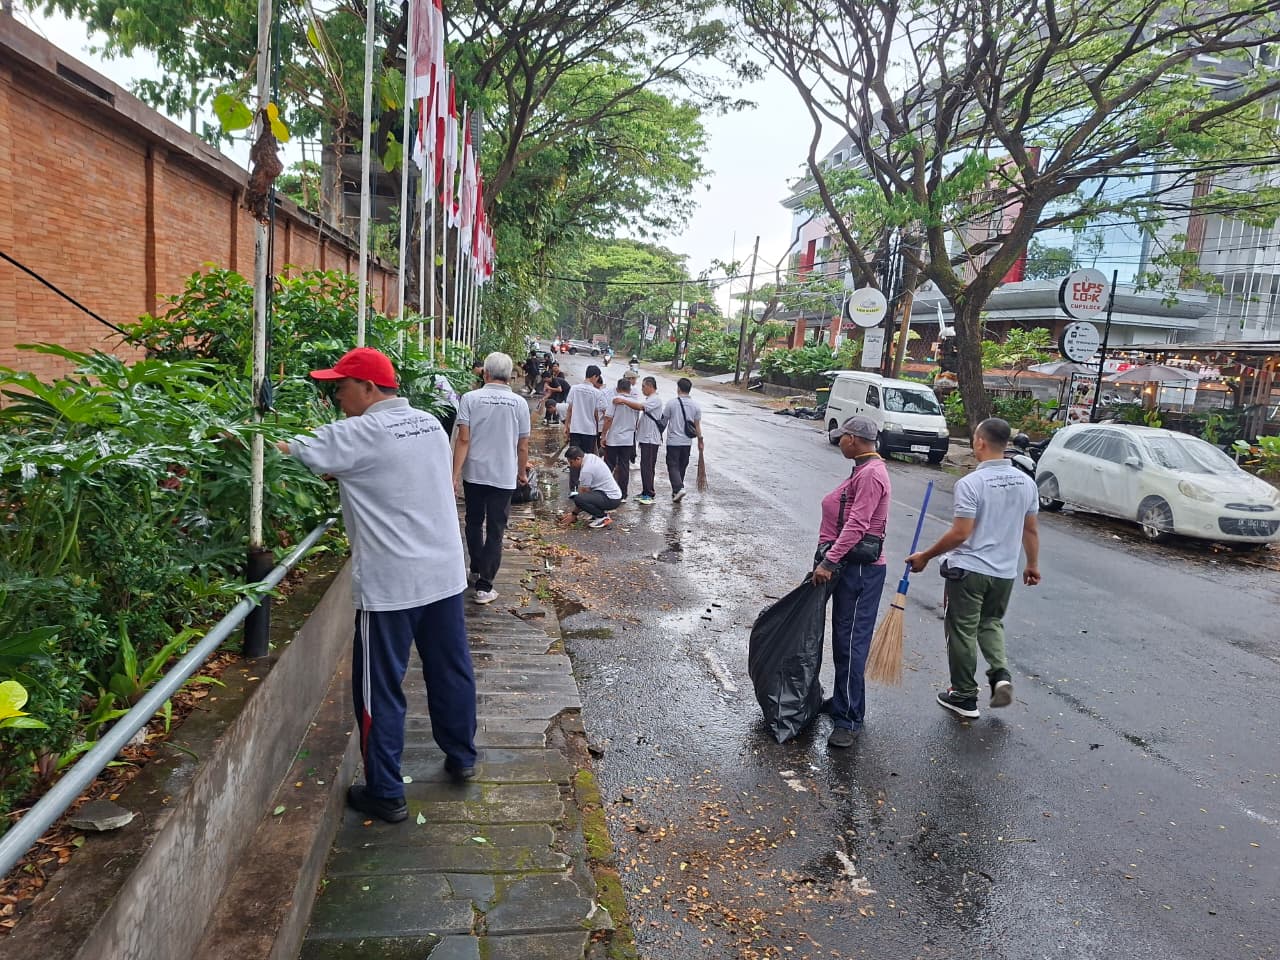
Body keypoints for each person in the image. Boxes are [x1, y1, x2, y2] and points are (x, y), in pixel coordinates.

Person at [276, 347, 476, 823]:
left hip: (392, 586)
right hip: (445, 572)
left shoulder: (359, 432)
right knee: (451, 669)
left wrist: (241, 429)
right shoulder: (428, 422)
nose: (335, 396)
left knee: (379, 689)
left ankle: (386, 791)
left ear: (367, 388)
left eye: (339, 387)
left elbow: (286, 447)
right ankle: (462, 754)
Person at [906, 417, 1041, 719]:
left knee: (962, 631)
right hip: (1004, 572)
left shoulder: (971, 484)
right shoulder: (1027, 483)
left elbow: (961, 533)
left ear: (980, 442)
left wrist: (926, 556)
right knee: (990, 623)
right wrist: (1031, 564)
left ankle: (964, 696)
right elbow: (1030, 530)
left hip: (968, 571)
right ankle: (1000, 675)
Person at [811, 416, 892, 748]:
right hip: (849, 568)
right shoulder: (862, 469)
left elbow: (858, 524)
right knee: (842, 639)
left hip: (860, 571)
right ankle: (844, 702)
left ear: (855, 440)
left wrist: (830, 560)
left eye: (843, 436)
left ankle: (850, 719)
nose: (839, 441)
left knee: (851, 643)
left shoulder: (872, 474)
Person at [452, 352, 531, 606]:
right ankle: (485, 587)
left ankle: (475, 569)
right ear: (510, 376)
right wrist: (521, 473)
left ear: (485, 373)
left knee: (473, 522)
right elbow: (522, 445)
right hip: (503, 475)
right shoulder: (519, 403)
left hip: (474, 473)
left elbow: (463, 439)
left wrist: (454, 476)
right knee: (496, 530)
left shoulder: (470, 399)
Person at [612, 376, 664, 504]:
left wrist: (624, 401)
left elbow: (640, 407)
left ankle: (649, 494)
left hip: (651, 439)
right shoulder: (650, 399)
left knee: (648, 467)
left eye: (643, 386)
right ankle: (645, 491)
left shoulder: (655, 399)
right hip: (646, 438)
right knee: (645, 466)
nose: (642, 389)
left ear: (650, 386)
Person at [564, 365, 606, 490]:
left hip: (576, 429)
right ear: (595, 376)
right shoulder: (597, 393)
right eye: (597, 378)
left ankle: (574, 489)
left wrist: (566, 426)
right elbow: (599, 412)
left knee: (573, 459)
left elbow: (570, 409)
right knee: (586, 461)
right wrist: (601, 430)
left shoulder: (574, 389)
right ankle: (585, 488)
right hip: (589, 431)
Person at [663, 377, 703, 502]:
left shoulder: (671, 403)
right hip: (687, 442)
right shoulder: (696, 406)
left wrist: (658, 434)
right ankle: (676, 492)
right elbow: (697, 425)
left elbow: (664, 421)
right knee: (682, 465)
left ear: (678, 388)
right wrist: (700, 440)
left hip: (673, 441)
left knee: (672, 465)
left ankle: (679, 488)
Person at [561, 446, 622, 528]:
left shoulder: (586, 470)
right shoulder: (590, 457)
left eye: (571, 462)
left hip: (611, 498)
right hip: (611, 495)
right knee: (584, 496)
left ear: (578, 459)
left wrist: (574, 514)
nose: (571, 465)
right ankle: (596, 514)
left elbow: (582, 494)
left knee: (578, 498)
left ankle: (602, 517)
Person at [601, 377, 641, 499]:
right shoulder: (635, 403)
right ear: (629, 389)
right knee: (624, 466)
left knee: (609, 465)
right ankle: (623, 494)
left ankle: (606, 491)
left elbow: (608, 418)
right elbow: (636, 421)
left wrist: (603, 435)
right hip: (628, 439)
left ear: (618, 389)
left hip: (614, 438)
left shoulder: (615, 400)